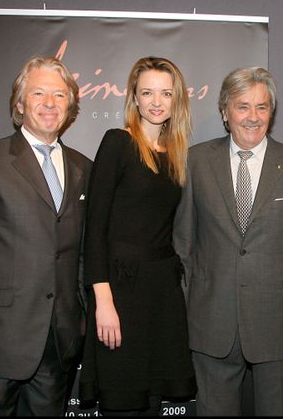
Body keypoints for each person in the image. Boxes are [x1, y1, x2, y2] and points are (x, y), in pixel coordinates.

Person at [173, 66, 283, 416]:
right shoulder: (196, 161)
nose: (253, 117)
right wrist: (190, 311)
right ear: (224, 112)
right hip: (210, 325)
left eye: (262, 107)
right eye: (243, 106)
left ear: (271, 113)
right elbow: (183, 246)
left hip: (279, 328)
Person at [0, 56, 92, 415]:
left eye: (59, 95)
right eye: (38, 93)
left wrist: (80, 322)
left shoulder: (83, 167)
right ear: (19, 103)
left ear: (70, 106)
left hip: (58, 344)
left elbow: (81, 253)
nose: (49, 103)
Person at [78, 56, 196, 415]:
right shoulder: (118, 142)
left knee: (154, 399)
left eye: (166, 93)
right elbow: (94, 228)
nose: (157, 102)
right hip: (121, 290)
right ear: (134, 98)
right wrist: (104, 302)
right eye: (147, 92)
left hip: (162, 290)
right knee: (123, 397)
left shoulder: (176, 154)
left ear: (178, 100)